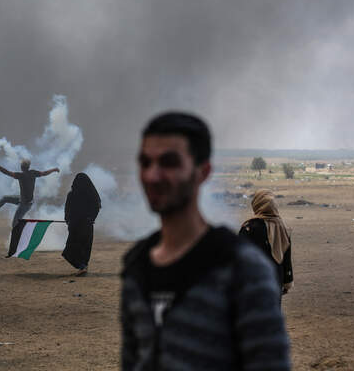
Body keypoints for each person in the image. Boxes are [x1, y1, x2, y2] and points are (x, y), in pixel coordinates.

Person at [120, 112, 290, 370]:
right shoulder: (136, 265)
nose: (153, 176)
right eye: (145, 162)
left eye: (169, 162)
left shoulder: (243, 269)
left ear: (203, 171)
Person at [239, 189, 293, 299]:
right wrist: (287, 281)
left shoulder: (249, 227)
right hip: (276, 278)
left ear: (256, 204)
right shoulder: (283, 227)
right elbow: (286, 257)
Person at [0, 159, 60, 227]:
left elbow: (6, 172)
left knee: (15, 225)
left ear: (22, 167)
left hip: (25, 204)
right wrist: (54, 169)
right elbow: (44, 173)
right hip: (23, 200)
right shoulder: (33, 173)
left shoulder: (21, 175)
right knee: (5, 198)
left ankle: (17, 243)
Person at [62, 173, 101, 276]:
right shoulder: (92, 194)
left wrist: (68, 220)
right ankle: (83, 266)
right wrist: (91, 218)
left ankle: (82, 266)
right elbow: (97, 206)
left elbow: (67, 210)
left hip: (76, 226)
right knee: (85, 247)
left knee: (70, 249)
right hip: (86, 226)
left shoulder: (72, 194)